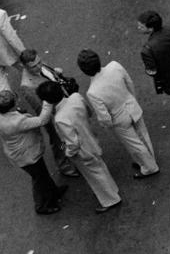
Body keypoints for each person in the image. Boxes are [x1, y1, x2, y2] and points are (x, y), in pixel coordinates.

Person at [37, 82, 122, 213]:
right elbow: (89, 112)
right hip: (91, 138)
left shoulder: (60, 118)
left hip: (83, 151)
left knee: (94, 175)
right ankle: (112, 189)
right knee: (100, 168)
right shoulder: (76, 97)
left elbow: (73, 143)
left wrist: (68, 153)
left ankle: (109, 199)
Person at [78, 50, 158, 179]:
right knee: (143, 135)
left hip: (119, 119)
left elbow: (104, 117)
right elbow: (129, 83)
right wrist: (132, 99)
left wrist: (107, 125)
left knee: (134, 145)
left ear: (84, 70)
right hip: (131, 105)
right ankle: (150, 159)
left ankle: (149, 167)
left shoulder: (92, 92)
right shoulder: (115, 66)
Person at [15, 50, 78, 178]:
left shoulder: (41, 65)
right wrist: (52, 121)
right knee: (58, 140)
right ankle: (64, 165)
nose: (39, 66)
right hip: (53, 114)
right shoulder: (27, 86)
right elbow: (39, 108)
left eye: (39, 62)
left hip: (63, 101)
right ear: (25, 67)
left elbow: (50, 75)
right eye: (34, 66)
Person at [0, 89, 63, 214]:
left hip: (19, 153)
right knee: (38, 179)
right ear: (14, 102)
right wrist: (47, 102)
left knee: (42, 174)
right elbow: (42, 120)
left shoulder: (4, 117)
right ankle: (41, 205)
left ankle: (54, 192)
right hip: (27, 155)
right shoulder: (16, 122)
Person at [0, 11, 26, 91]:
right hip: (6, 53)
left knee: (2, 88)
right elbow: (11, 37)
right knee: (28, 70)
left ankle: (8, 102)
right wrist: (23, 52)